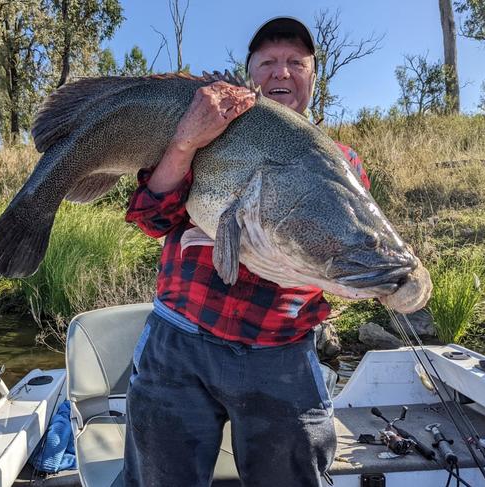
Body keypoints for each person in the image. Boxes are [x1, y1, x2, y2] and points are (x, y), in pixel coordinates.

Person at [123, 16, 370, 487]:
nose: (281, 73)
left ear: (313, 78)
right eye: (269, 62)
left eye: (296, 63)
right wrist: (184, 142)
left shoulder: (342, 162)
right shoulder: (201, 130)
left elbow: (344, 252)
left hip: (282, 352)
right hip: (179, 340)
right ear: (249, 72)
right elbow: (151, 220)